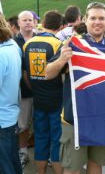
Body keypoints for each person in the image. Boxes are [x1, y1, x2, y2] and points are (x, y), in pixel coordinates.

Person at [46, 2, 105, 174]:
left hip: (103, 118)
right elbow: (47, 73)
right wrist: (62, 60)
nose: (97, 22)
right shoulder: (72, 44)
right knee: (72, 169)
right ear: (85, 20)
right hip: (74, 119)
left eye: (101, 18)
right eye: (93, 18)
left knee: (96, 164)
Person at [23, 10, 64, 174]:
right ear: (60, 27)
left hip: (38, 99)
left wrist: (35, 88)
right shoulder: (58, 45)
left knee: (40, 139)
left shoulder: (27, 44)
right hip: (55, 100)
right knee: (57, 141)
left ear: (43, 24)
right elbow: (62, 76)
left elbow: (25, 73)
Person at [0, 14, 22, 174]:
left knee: (6, 166)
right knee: (13, 162)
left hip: (2, 120)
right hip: (10, 116)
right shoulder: (12, 45)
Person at [15, 10, 35, 168]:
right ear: (19, 23)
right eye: (25, 20)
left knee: (41, 125)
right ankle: (23, 152)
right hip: (23, 92)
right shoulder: (14, 42)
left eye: (30, 20)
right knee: (23, 125)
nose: (28, 22)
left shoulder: (40, 39)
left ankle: (46, 153)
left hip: (42, 91)